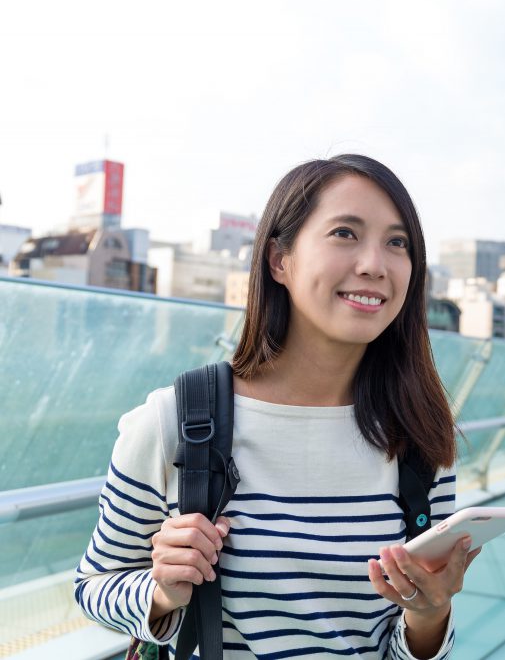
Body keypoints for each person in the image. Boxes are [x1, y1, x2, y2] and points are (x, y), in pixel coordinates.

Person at [74, 155, 478, 659]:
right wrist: (162, 593)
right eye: (345, 234)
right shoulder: (175, 421)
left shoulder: (417, 435)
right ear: (278, 260)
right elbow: (93, 587)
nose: (375, 264)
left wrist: (430, 615)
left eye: (397, 242)